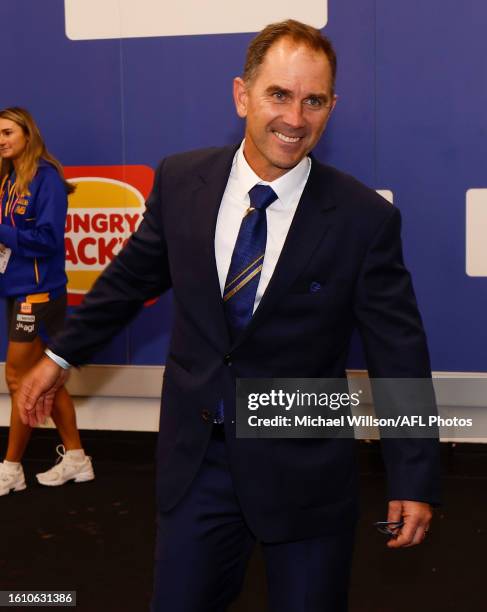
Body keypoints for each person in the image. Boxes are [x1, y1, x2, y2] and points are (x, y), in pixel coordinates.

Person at [17, 21, 440, 612]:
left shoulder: (363, 219)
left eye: (313, 100)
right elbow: (128, 282)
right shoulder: (181, 179)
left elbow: (400, 352)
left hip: (307, 472)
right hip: (198, 465)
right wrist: (58, 356)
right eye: (278, 95)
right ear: (242, 94)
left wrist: (413, 477)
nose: (295, 118)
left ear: (331, 107)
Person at [0, 107, 94, 496]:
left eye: (7, 133)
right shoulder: (8, 180)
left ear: (27, 134)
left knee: (18, 379)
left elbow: (47, 240)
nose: (1, 140)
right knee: (45, 378)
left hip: (38, 295)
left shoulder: (47, 179)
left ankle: (11, 469)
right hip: (17, 292)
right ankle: (76, 459)